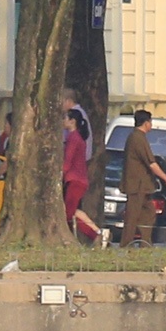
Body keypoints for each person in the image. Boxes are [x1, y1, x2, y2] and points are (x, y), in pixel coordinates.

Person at [120, 109, 166, 246]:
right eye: (150, 122)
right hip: (137, 185)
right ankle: (125, 245)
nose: (151, 124)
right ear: (146, 123)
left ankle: (145, 243)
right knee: (132, 216)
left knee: (149, 213)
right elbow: (151, 163)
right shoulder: (137, 138)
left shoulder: (139, 137)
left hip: (144, 186)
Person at [60, 90, 96, 239]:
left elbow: (68, 161)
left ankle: (94, 235)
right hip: (77, 179)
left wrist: (61, 174)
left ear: (72, 121)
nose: (63, 121)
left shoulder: (73, 138)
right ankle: (97, 232)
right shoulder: (77, 137)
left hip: (75, 180)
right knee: (73, 210)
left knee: (68, 214)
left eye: (65, 118)